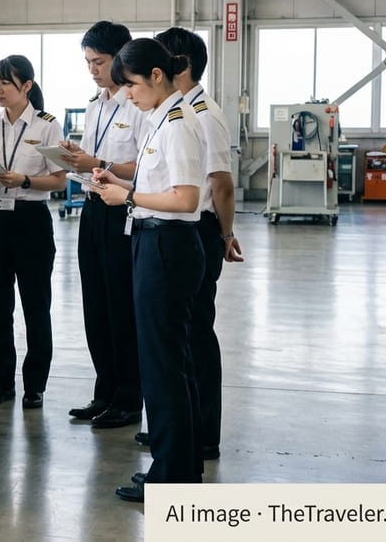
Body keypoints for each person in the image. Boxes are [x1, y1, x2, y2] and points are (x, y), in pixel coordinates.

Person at [91, 38, 205, 502]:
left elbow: (186, 198)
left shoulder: (177, 124)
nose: (129, 95)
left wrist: (129, 199)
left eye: (132, 85)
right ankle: (180, 462)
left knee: (162, 365)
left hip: (167, 246)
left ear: (156, 76)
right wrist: (117, 182)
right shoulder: (161, 119)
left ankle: (171, 475)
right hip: (155, 241)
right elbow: (155, 181)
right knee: (167, 361)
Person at [132, 27, 244, 459]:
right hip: (184, 225)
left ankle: (200, 434)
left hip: (194, 229)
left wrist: (226, 234)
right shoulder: (171, 112)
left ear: (177, 65)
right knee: (178, 340)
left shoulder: (201, 114)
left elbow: (222, 185)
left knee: (194, 336)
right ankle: (180, 430)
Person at [59, 21, 148, 430]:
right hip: (93, 209)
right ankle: (105, 392)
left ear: (121, 56)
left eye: (100, 61)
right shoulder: (96, 105)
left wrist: (98, 164)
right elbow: (95, 159)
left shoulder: (138, 106)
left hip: (123, 211)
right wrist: (78, 157)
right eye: (88, 62)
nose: (93, 69)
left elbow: (143, 166)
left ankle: (129, 399)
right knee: (95, 305)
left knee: (121, 307)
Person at [0, 55, 67, 409]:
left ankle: (35, 385)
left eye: (6, 83)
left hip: (32, 219)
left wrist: (23, 179)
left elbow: (59, 179)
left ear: (26, 86)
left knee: (36, 305)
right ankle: (1, 383)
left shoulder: (47, 127)